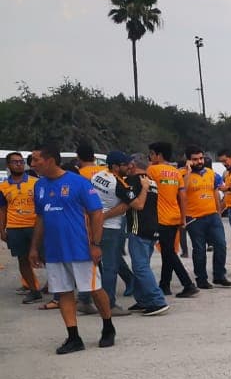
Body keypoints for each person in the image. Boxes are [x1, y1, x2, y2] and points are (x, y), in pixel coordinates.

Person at [27, 145, 115, 352]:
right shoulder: (39, 186)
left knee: (94, 289)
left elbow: (96, 213)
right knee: (63, 292)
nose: (32, 164)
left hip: (80, 248)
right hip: (55, 250)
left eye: (36, 160)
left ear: (49, 160)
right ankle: (74, 337)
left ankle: (108, 327)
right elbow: (40, 218)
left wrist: (95, 244)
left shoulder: (79, 183)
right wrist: (34, 248)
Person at [119, 153, 170, 316]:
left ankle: (157, 301)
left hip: (138, 229)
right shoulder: (152, 182)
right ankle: (143, 300)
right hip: (153, 228)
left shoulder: (133, 181)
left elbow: (132, 203)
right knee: (142, 266)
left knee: (140, 267)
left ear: (133, 165)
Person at [147, 141, 198, 298]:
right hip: (175, 216)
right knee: (167, 251)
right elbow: (182, 196)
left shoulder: (152, 170)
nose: (150, 156)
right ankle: (165, 285)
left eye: (151, 153)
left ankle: (188, 284)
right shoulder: (175, 172)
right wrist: (183, 217)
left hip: (160, 217)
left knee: (168, 252)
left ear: (158, 155)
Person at [86, 152, 136, 311]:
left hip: (91, 224)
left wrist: (97, 217)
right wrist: (104, 216)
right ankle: (109, 305)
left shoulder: (98, 175)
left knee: (92, 264)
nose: (129, 167)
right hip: (110, 228)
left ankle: (84, 300)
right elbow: (133, 204)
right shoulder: (119, 185)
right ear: (115, 166)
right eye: (125, 164)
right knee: (110, 267)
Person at [182, 146, 231, 289]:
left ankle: (219, 275)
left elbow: (216, 192)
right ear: (188, 161)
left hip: (212, 216)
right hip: (194, 218)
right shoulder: (183, 174)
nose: (199, 161)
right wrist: (188, 172)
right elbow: (182, 192)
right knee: (199, 250)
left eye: (201, 158)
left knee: (221, 245)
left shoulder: (211, 173)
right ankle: (201, 279)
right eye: (195, 159)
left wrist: (218, 211)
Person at [2, 150, 43, 303]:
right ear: (8, 165)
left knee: (47, 257)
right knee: (22, 260)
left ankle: (59, 291)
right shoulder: (3, 187)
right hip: (15, 227)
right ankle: (34, 290)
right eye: (15, 162)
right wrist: (2, 229)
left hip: (35, 226)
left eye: (21, 162)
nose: (19, 164)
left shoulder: (35, 182)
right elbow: (3, 210)